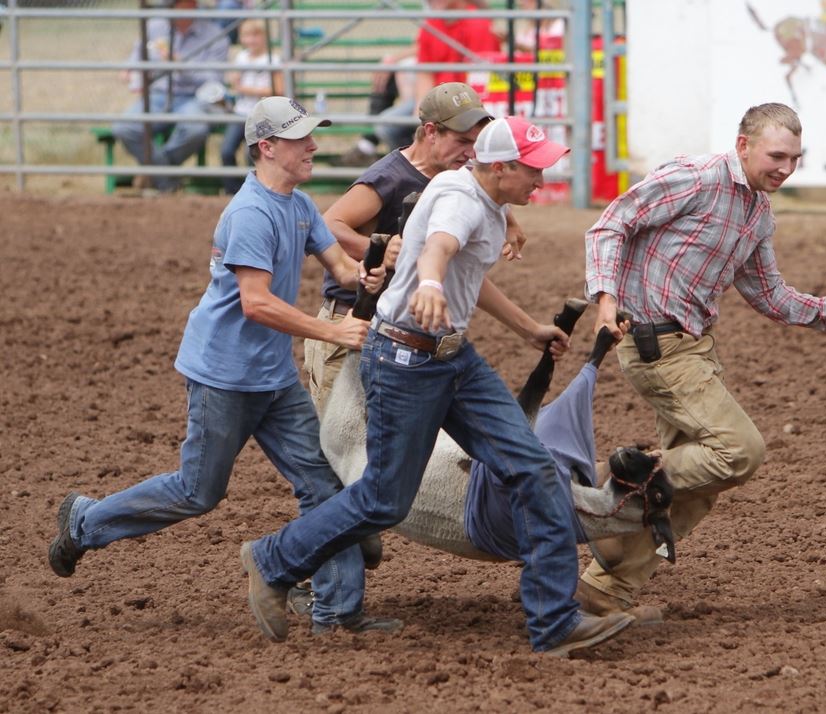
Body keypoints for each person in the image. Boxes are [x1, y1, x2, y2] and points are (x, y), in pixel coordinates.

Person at [239, 116, 635, 656]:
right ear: (500, 168)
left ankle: (555, 622)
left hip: (452, 357)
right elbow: (440, 248)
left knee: (534, 467)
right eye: (534, 171)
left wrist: (526, 328)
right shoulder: (460, 201)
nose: (542, 181)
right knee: (383, 499)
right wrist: (427, 282)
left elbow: (465, 269)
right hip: (405, 360)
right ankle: (273, 560)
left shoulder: (476, 193)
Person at [48, 96, 398, 638]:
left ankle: (337, 612)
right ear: (267, 147)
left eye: (312, 136)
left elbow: (340, 266)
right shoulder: (250, 213)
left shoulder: (299, 205)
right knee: (198, 491)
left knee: (322, 484)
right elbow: (255, 302)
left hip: (272, 377)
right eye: (302, 138)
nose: (314, 146)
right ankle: (85, 522)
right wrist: (331, 329)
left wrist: (365, 275)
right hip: (224, 375)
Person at [577, 102, 826, 620]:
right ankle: (607, 482)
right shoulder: (695, 178)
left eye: (795, 158)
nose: (785, 167)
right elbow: (610, 225)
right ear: (743, 146)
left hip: (694, 349)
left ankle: (604, 592)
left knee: (701, 484)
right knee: (739, 451)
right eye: (776, 155)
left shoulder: (757, 212)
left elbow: (769, 294)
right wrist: (605, 301)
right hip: (656, 345)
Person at [306, 81, 516, 415]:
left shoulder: (453, 178)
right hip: (351, 321)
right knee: (339, 443)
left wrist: (510, 219)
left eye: (475, 144)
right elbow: (329, 223)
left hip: (393, 333)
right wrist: (377, 247)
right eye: (462, 141)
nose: (469, 153)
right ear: (431, 132)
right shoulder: (390, 178)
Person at [349, 0, 499, 163]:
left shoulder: (478, 23)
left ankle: (439, 166)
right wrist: (420, 113)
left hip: (464, 102)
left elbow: (479, 81)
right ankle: (416, 169)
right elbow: (424, 72)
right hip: (437, 98)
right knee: (387, 125)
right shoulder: (431, 23)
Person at [113, 0, 230, 193]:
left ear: (192, 5)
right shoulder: (154, 26)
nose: (169, 6)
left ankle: (154, 173)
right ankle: (167, 180)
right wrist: (129, 70)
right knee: (125, 127)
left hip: (194, 97)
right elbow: (136, 56)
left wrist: (181, 66)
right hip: (157, 94)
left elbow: (214, 78)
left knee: (195, 129)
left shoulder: (215, 36)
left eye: (176, 3)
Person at [221, 19, 283, 194]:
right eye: (247, 35)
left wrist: (244, 88)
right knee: (226, 150)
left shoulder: (273, 59)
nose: (251, 40)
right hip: (241, 112)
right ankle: (232, 190)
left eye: (256, 35)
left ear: (264, 37)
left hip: (262, 116)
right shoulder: (241, 57)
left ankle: (254, 191)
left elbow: (277, 89)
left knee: (252, 156)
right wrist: (236, 83)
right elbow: (234, 81)